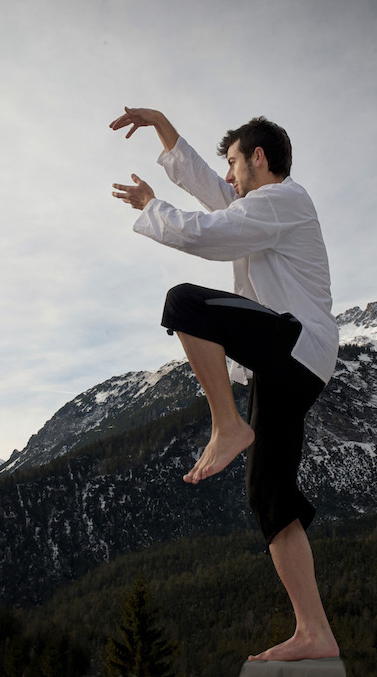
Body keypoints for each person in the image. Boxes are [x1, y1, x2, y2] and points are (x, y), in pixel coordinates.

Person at [109, 107, 341, 663]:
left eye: (236, 161)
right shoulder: (263, 207)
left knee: (185, 303)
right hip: (291, 365)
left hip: (294, 344)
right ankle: (314, 630)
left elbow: (207, 231)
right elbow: (213, 190)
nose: (230, 175)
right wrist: (163, 127)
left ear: (260, 158)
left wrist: (151, 207)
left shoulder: (285, 200)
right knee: (269, 496)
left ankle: (226, 423)